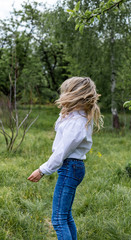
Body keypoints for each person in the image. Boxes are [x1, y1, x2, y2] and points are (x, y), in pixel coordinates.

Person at [27, 77, 103, 240]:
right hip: (72, 167)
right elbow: (59, 128)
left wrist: (42, 170)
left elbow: (61, 152)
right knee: (65, 216)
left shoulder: (76, 122)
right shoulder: (76, 117)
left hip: (70, 167)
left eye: (66, 92)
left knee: (59, 220)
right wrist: (65, 111)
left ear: (74, 95)